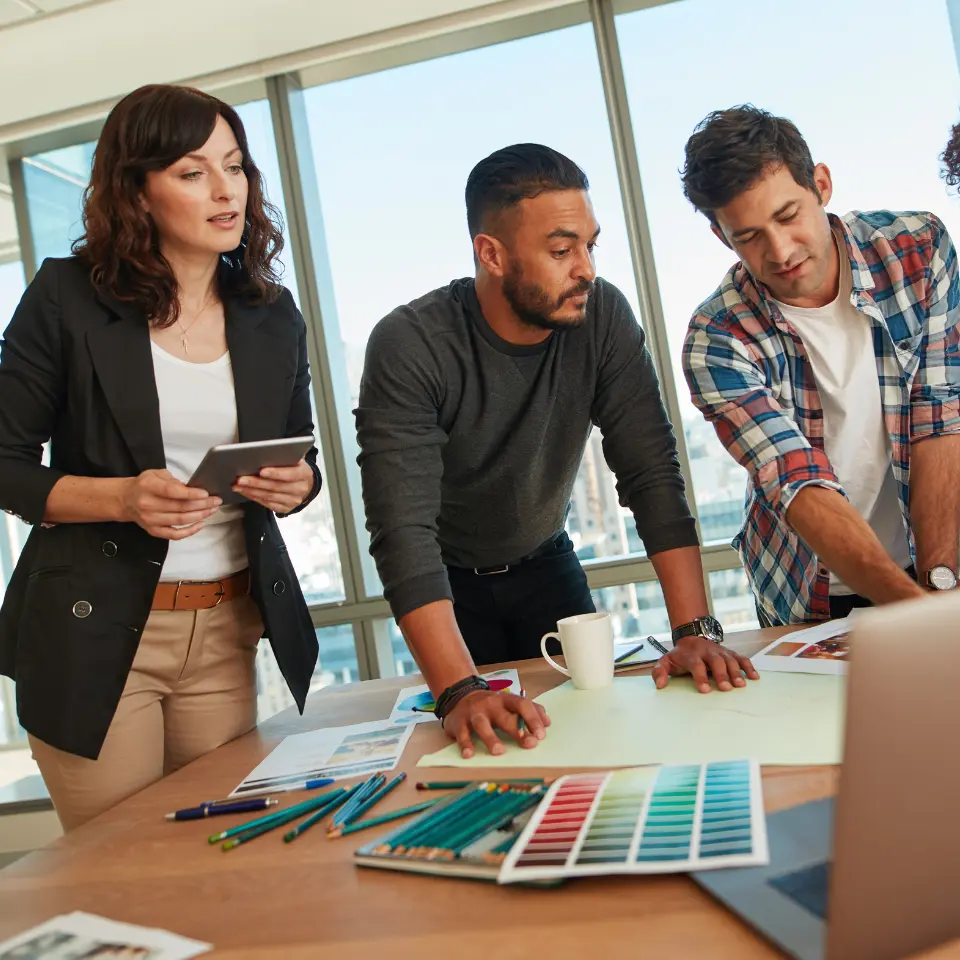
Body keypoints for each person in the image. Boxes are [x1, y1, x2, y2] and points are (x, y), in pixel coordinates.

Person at [356, 143, 758, 760]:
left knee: (591, 739)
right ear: (491, 254)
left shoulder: (603, 317)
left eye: (591, 246)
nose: (587, 269)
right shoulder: (411, 344)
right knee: (483, 756)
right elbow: (402, 530)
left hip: (547, 567)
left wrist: (694, 630)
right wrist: (459, 688)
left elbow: (651, 470)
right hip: (446, 589)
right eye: (561, 250)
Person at [0, 84, 323, 830]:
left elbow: (301, 461)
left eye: (235, 166)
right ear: (136, 192)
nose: (225, 189)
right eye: (191, 171)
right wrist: (121, 498)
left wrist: (295, 483)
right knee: (123, 877)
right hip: (97, 631)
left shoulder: (270, 313)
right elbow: (6, 462)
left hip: (224, 631)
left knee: (216, 863)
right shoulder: (65, 298)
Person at [681, 105, 960, 627]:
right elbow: (796, 480)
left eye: (787, 216)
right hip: (810, 595)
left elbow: (939, 417)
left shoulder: (918, 250)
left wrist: (938, 587)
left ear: (822, 185)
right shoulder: (715, 338)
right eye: (749, 236)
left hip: (936, 570)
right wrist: (917, 616)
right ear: (723, 238)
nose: (780, 251)